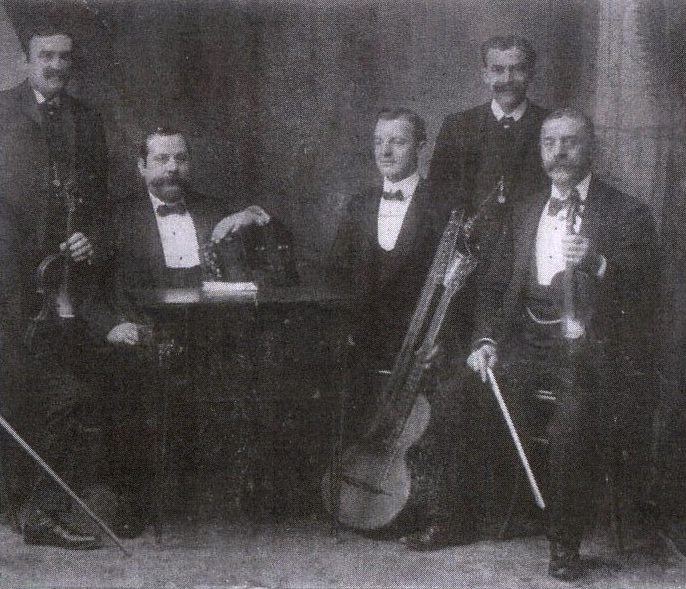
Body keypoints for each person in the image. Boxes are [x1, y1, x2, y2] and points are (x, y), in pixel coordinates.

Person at [466, 108, 657, 580]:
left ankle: (564, 544)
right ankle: (459, 518)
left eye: (570, 142)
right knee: (457, 394)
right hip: (526, 341)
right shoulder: (524, 209)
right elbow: (493, 285)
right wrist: (486, 339)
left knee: (571, 424)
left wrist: (599, 263)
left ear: (591, 148)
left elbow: (649, 292)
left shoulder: (627, 211)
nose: (559, 152)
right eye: (550, 143)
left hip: (592, 352)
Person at [81, 128, 275, 524]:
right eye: (162, 159)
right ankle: (135, 502)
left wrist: (251, 218)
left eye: (181, 159)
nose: (173, 168)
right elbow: (85, 291)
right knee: (132, 386)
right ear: (141, 167)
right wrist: (111, 326)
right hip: (142, 335)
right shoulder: (115, 217)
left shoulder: (215, 211)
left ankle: (235, 499)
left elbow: (262, 265)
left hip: (210, 338)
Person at [0, 18, 109, 548]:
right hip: (7, 279)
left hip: (62, 283)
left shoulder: (88, 119)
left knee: (63, 394)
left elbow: (99, 202)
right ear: (28, 60)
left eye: (65, 56)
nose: (56, 65)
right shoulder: (1, 111)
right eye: (46, 56)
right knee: (19, 392)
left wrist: (90, 236)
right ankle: (24, 510)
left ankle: (39, 509)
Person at [328, 108, 448, 423]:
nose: (385, 151)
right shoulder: (359, 204)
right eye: (379, 141)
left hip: (419, 350)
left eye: (397, 142)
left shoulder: (443, 206)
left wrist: (439, 339)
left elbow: (458, 287)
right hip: (361, 347)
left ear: (421, 147)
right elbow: (337, 274)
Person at [427, 34, 549, 237]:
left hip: (531, 243)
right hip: (470, 247)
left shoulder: (550, 126)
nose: (507, 79)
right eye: (498, 70)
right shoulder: (457, 126)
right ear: (486, 75)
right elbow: (437, 195)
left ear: (531, 74)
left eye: (517, 69)